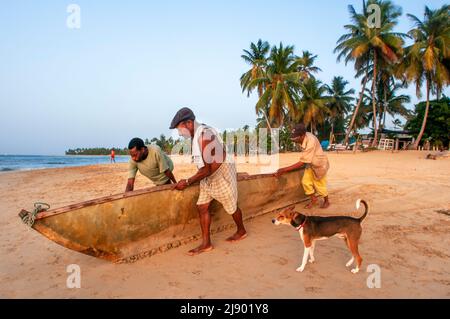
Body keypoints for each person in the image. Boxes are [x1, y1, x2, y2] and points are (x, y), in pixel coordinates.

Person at [170, 107, 247, 256]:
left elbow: (207, 169)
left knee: (231, 206)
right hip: (208, 173)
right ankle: (206, 244)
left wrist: (186, 181)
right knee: (202, 207)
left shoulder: (205, 136)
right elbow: (205, 168)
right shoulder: (196, 133)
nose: (179, 133)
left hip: (221, 172)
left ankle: (241, 230)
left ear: (189, 123)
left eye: (180, 129)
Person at [275, 123, 330, 209]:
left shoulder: (310, 141)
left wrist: (284, 170)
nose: (293, 139)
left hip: (319, 164)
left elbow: (303, 162)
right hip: (310, 164)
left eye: (295, 138)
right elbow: (305, 159)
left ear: (302, 135)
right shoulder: (304, 137)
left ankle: (327, 201)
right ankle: (313, 199)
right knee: (305, 182)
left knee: (320, 185)